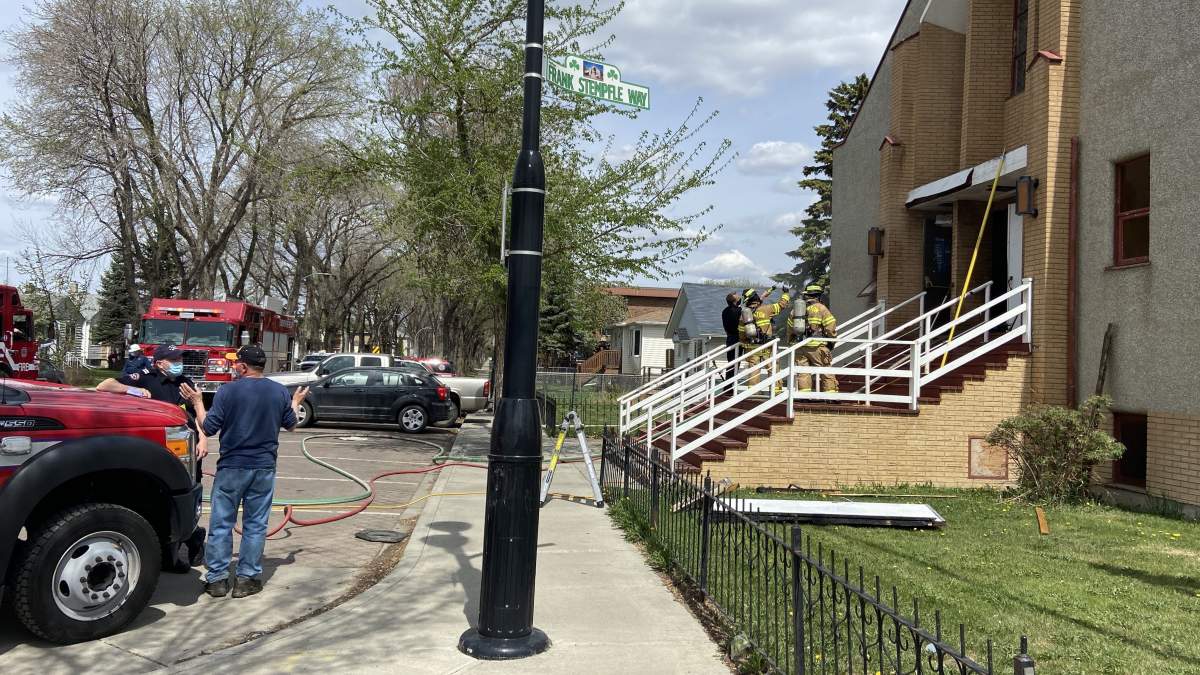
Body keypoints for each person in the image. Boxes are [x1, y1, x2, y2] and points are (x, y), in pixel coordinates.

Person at [185, 345, 308, 599]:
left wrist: (197, 402)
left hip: (231, 467)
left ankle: (217, 580)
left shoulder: (228, 391)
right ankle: (247, 579)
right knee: (255, 525)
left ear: (243, 366)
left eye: (235, 363)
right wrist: (295, 402)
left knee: (221, 524)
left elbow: (208, 428)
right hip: (263, 468)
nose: (232, 366)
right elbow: (292, 425)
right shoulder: (278, 391)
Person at [738, 286, 790, 388]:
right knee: (773, 368)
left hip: (752, 348)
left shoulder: (743, 315)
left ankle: (753, 393)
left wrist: (744, 342)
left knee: (754, 370)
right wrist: (786, 293)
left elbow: (741, 333)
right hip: (767, 346)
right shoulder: (766, 309)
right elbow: (782, 305)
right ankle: (776, 391)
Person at [794, 284, 838, 394]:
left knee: (803, 373)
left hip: (801, 346)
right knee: (825, 371)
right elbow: (830, 326)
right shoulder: (821, 308)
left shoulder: (796, 310)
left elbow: (790, 328)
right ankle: (830, 396)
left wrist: (792, 343)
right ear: (818, 296)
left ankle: (804, 396)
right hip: (817, 346)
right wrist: (832, 341)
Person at [721, 292, 742, 390]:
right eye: (738, 298)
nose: (740, 299)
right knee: (735, 364)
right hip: (737, 339)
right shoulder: (739, 311)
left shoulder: (725, 311)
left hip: (729, 339)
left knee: (731, 362)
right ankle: (729, 387)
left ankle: (728, 386)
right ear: (734, 301)